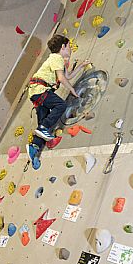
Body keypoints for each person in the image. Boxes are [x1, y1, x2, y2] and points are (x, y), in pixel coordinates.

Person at [26, 34, 90, 170]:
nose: (71, 49)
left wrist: (81, 66)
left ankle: (34, 149)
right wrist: (72, 90)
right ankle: (42, 130)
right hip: (40, 90)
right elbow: (61, 78)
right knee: (61, 105)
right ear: (63, 47)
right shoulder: (56, 58)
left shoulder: (59, 61)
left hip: (37, 93)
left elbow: (68, 76)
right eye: (69, 46)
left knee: (43, 122)